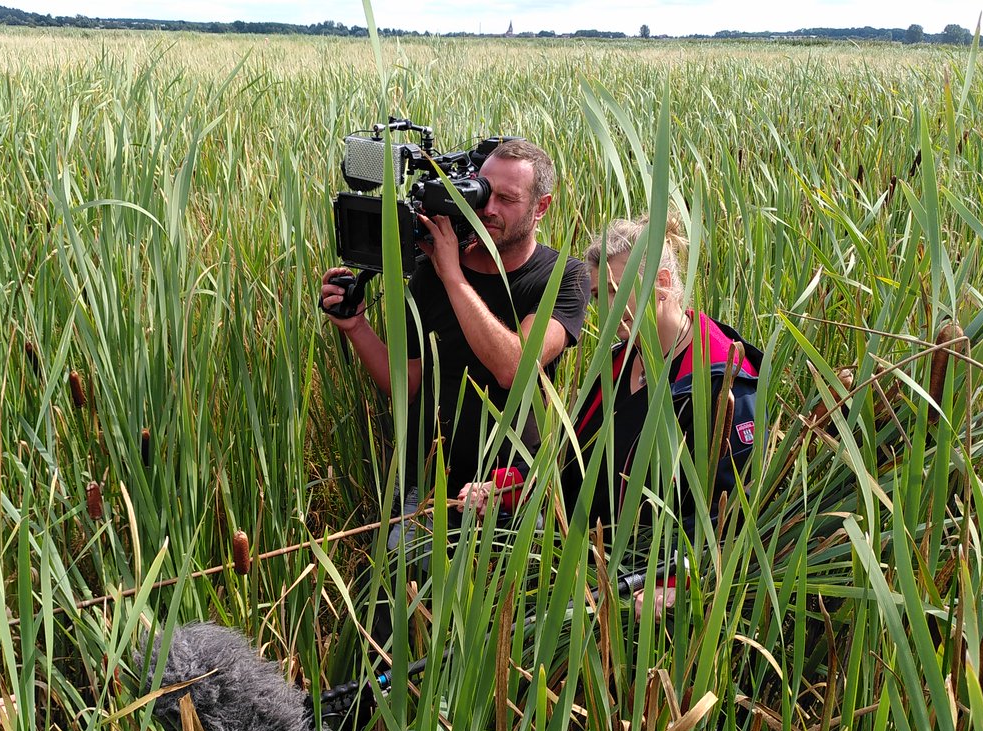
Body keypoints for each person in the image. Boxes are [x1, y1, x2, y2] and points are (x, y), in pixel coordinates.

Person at [460, 214, 762, 617]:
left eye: (616, 292)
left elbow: (726, 519)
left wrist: (675, 584)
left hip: (642, 593)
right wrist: (507, 488)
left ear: (663, 284)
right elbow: (572, 458)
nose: (603, 308)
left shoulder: (723, 383)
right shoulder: (617, 362)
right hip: (581, 563)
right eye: (598, 295)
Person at [320, 139, 588, 545]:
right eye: (482, 191)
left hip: (510, 489)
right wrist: (357, 327)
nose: (488, 209)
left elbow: (514, 366)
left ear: (541, 207)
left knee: (512, 606)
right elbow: (406, 383)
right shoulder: (431, 272)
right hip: (429, 490)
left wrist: (453, 275)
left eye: (507, 199)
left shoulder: (564, 276)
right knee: (403, 597)